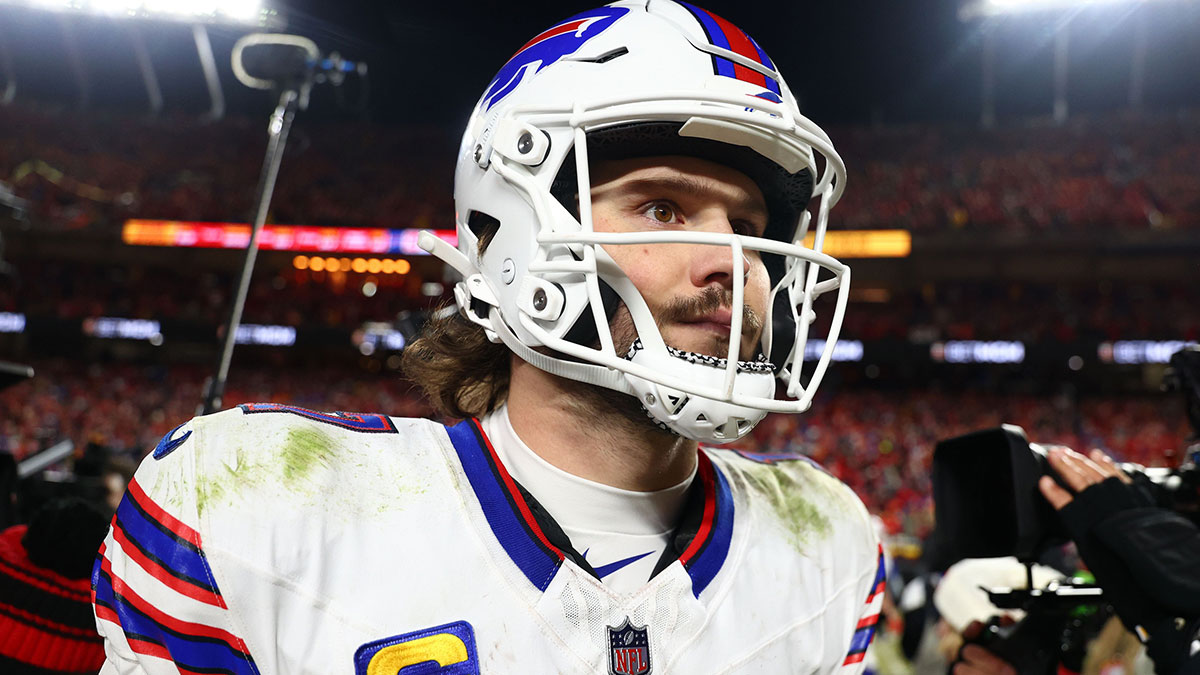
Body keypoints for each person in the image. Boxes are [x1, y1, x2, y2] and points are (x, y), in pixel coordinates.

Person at [92, 2, 883, 672]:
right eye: (663, 208)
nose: (733, 262)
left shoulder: (829, 545)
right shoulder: (255, 506)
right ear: (517, 238)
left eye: (747, 225)